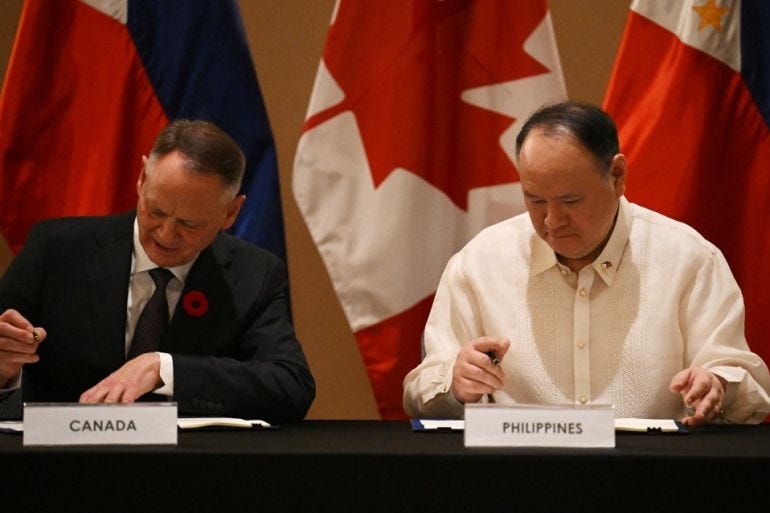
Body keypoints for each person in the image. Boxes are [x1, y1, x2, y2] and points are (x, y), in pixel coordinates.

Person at [403, 101, 770, 427]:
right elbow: (418, 393)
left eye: (571, 201)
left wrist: (718, 384)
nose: (552, 221)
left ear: (617, 176)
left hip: (654, 483)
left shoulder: (688, 258)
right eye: (535, 201)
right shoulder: (481, 263)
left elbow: (745, 382)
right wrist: (456, 382)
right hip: (519, 483)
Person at [0, 119, 315, 421]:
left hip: (188, 469)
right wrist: (4, 370)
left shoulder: (255, 274)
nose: (165, 234)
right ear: (141, 179)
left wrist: (165, 369)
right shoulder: (57, 250)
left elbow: (291, 385)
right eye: (157, 211)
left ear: (230, 212)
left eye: (189, 224)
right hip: (60, 465)